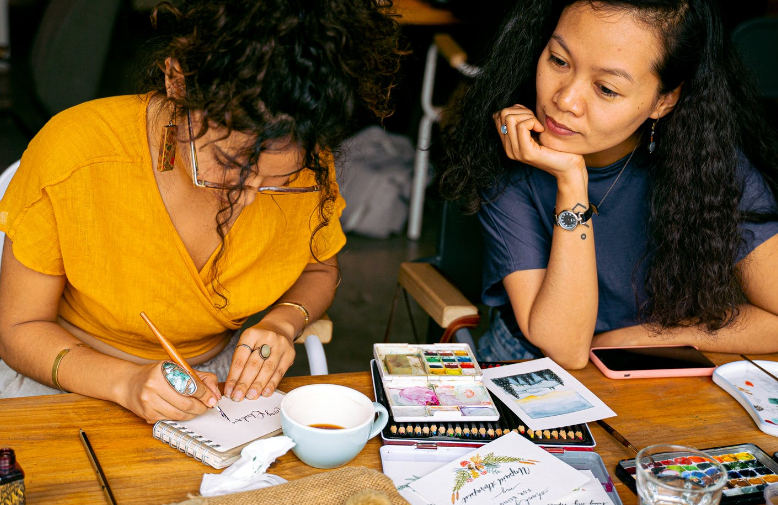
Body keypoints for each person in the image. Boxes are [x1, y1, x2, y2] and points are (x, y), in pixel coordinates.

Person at [0, 0, 403, 422]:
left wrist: (285, 321)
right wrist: (126, 382)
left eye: (275, 183)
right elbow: (18, 331)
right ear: (178, 81)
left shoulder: (309, 166)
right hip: (72, 379)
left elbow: (319, 269)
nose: (247, 198)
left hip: (216, 388)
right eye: (229, 165)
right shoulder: (76, 152)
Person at [439, 0, 778, 368]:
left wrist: (639, 338)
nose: (564, 100)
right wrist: (571, 181)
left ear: (664, 101)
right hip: (529, 365)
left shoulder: (710, 170)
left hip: (649, 363)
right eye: (558, 61)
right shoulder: (512, 158)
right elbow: (566, 348)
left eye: (605, 88)